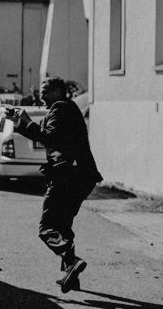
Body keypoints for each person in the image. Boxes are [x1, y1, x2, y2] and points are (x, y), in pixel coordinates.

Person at [7, 76, 102, 293]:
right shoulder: (65, 108)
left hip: (68, 175)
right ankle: (71, 274)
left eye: (46, 90)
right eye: (40, 90)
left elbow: (49, 138)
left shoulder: (60, 108)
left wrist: (27, 122)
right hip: (80, 175)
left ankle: (71, 259)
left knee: (47, 228)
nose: (42, 94)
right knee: (63, 226)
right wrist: (20, 123)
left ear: (59, 92)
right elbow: (48, 137)